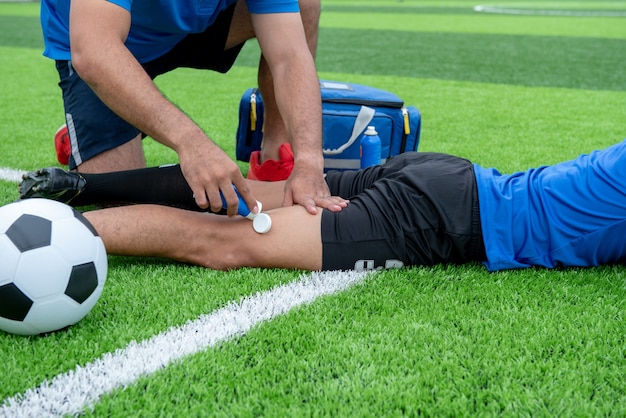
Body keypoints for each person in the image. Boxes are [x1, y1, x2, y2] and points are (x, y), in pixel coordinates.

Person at [18, 140, 626, 271]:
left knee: (266, 196)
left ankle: (78, 187)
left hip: (451, 176)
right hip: (448, 218)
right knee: (226, 242)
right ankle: (42, 230)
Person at [40, 0, 346, 218]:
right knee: (126, 206)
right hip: (107, 45)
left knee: (302, 3)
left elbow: (289, 56)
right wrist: (192, 143)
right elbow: (94, 52)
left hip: (189, 29)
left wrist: (308, 160)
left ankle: (275, 154)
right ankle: (103, 119)